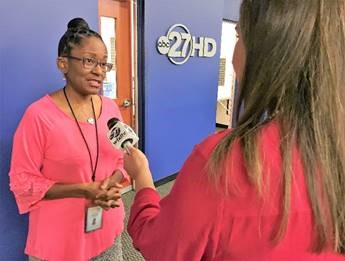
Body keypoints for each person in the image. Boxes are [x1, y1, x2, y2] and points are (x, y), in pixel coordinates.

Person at [123, 0, 345, 260]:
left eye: (239, 36)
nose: (232, 58)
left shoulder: (226, 163)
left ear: (270, 48)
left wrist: (143, 177)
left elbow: (159, 246)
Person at [9, 18, 127, 261]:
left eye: (104, 63)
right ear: (63, 64)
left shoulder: (110, 108)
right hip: (60, 240)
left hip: (108, 227)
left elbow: (119, 160)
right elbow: (22, 181)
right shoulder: (39, 116)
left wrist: (108, 187)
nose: (99, 71)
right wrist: (85, 190)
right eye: (89, 61)